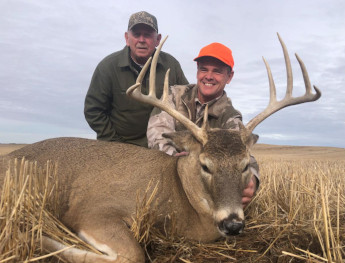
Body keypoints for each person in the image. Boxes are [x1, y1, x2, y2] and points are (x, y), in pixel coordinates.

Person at [147, 42, 259, 207]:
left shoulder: (230, 117)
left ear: (229, 77)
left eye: (217, 71)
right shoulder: (173, 95)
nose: (209, 76)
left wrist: (253, 180)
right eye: (204, 69)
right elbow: (156, 134)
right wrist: (175, 159)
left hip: (201, 186)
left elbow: (241, 152)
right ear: (197, 72)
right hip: (166, 175)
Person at [84, 11, 188, 147]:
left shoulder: (171, 65)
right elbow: (93, 111)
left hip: (162, 145)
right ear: (127, 38)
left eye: (148, 35)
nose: (141, 40)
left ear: (158, 39)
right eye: (136, 34)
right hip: (122, 145)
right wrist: (114, 143)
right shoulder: (108, 67)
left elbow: (187, 102)